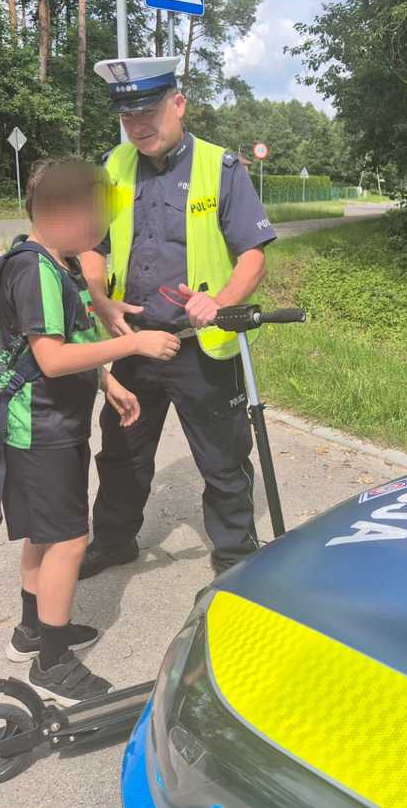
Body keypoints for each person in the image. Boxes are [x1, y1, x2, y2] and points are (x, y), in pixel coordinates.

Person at [79, 56, 276, 578]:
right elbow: (92, 244)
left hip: (199, 345)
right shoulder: (114, 167)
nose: (138, 125)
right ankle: (114, 541)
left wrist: (221, 302)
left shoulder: (220, 167)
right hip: (133, 343)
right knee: (121, 451)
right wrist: (100, 299)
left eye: (148, 112)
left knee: (223, 458)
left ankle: (235, 555)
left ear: (178, 103)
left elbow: (253, 254)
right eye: (128, 116)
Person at [0, 156, 180, 706]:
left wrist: (107, 381)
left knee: (45, 531)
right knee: (68, 539)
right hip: (40, 427)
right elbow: (51, 359)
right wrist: (133, 344)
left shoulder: (58, 265)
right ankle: (52, 663)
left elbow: (70, 337)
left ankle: (32, 631)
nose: (101, 232)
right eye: (95, 219)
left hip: (48, 423)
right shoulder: (35, 272)